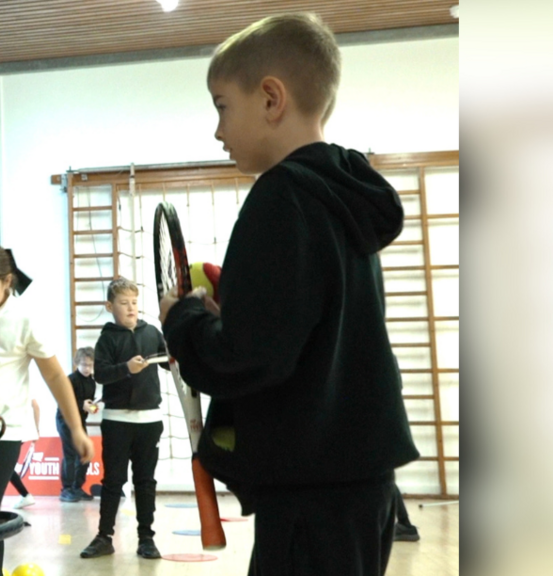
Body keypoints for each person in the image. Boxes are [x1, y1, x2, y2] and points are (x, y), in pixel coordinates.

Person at [158, 14, 419, 576]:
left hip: (312, 494)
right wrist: (229, 316)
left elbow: (249, 357)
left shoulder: (282, 198)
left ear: (271, 98)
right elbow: (297, 332)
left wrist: (183, 320)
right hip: (361, 483)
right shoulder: (344, 191)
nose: (218, 130)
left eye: (222, 106)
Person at [0, 241, 94, 576]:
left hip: (3, 431)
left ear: (7, 281)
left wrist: (76, 428)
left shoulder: (24, 319)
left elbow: (55, 376)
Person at [80, 279, 167, 560]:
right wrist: (127, 368)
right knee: (113, 481)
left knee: (145, 481)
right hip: (116, 420)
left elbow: (169, 361)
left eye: (134, 302)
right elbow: (102, 375)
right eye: (123, 303)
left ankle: (146, 539)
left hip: (150, 421)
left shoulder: (151, 332)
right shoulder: (107, 339)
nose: (130, 308)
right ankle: (104, 537)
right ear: (110, 306)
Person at [57, 347, 96, 503]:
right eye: (84, 364)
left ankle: (77, 487)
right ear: (76, 363)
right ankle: (66, 489)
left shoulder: (92, 382)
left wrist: (91, 407)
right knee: (70, 454)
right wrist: (82, 405)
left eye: (90, 365)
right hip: (65, 420)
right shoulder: (70, 380)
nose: (87, 368)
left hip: (80, 421)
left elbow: (88, 403)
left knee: (85, 453)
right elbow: (64, 402)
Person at [10, 398, 40, 509]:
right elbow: (36, 406)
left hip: (11, 431)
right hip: (20, 432)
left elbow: (35, 406)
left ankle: (25, 494)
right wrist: (37, 430)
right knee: (4, 465)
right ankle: (25, 495)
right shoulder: (24, 390)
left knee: (4, 466)